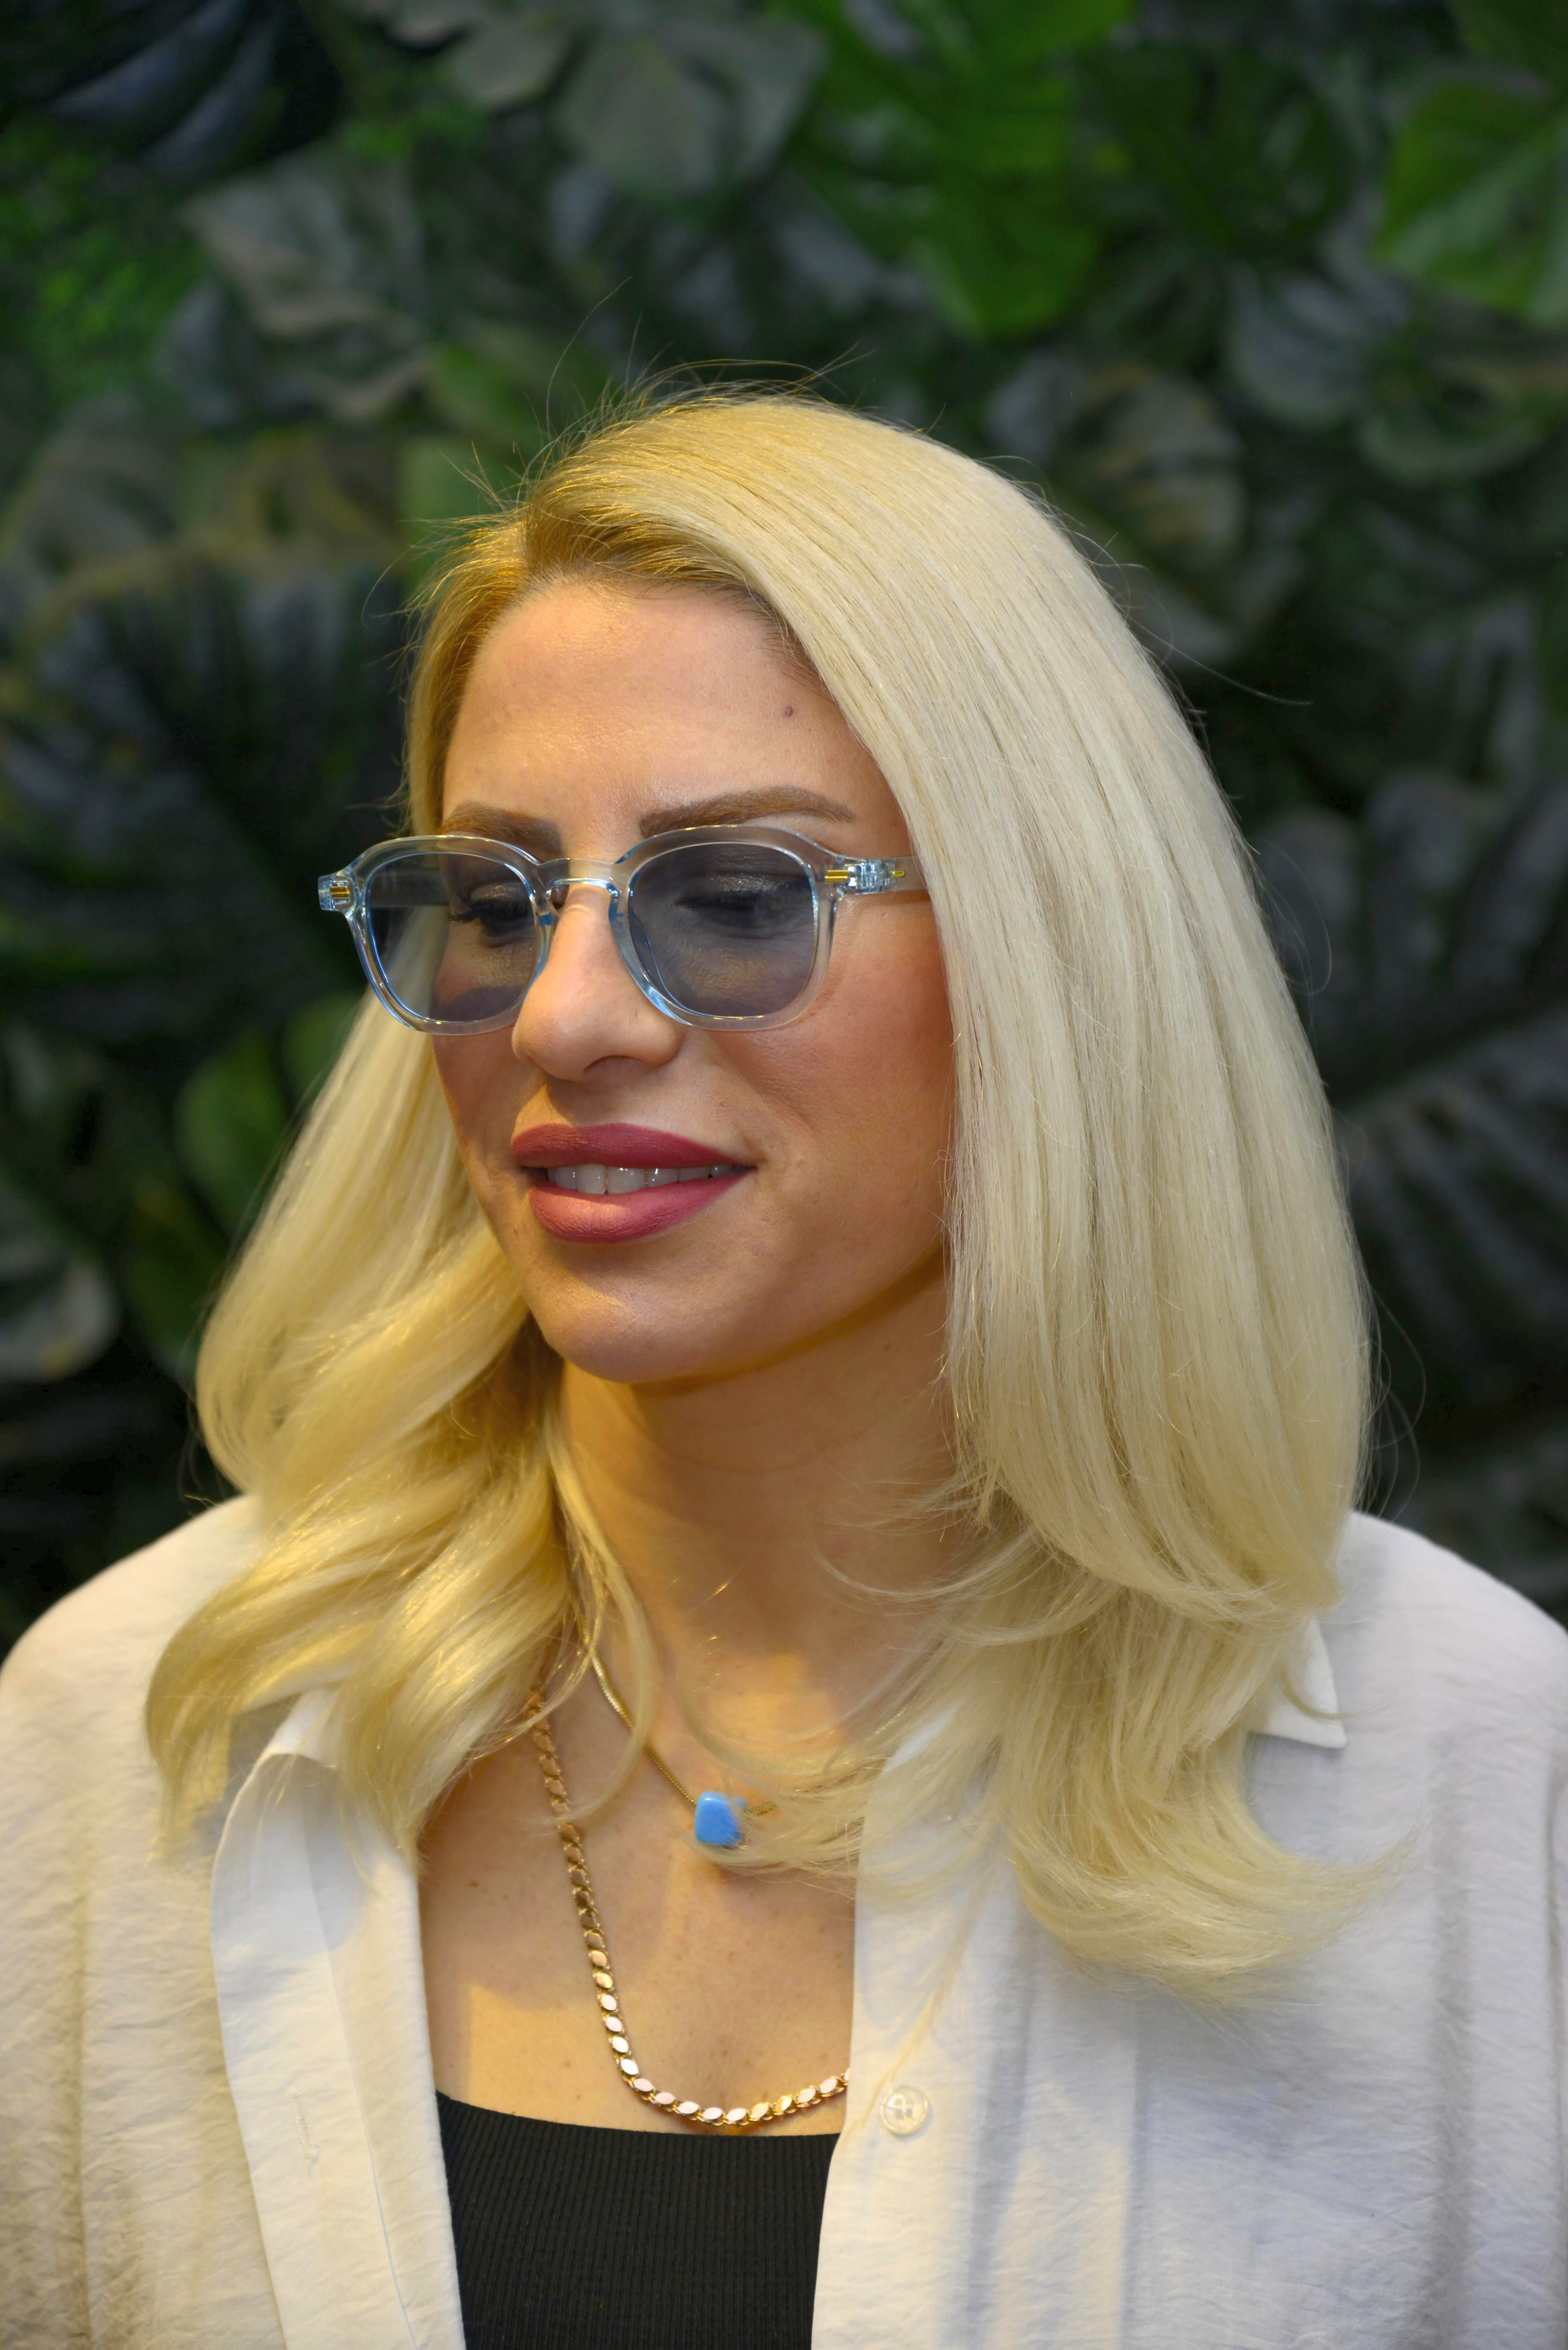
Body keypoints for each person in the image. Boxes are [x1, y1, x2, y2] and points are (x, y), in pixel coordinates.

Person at [2, 391, 1564, 2350]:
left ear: (1052, 956)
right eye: (492, 902)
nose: (564, 1016)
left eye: (738, 899)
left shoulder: (1473, 1770)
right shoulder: (135, 1732)